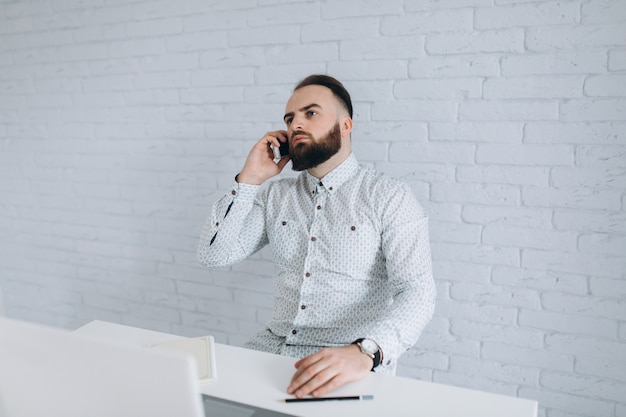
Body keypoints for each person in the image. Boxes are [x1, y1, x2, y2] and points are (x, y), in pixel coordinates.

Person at [197, 74, 436, 399]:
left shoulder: (389, 197)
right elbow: (213, 255)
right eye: (290, 118)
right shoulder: (275, 196)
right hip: (268, 356)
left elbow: (417, 291)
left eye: (310, 113)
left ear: (345, 125)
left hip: (345, 367)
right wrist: (249, 179)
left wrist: (366, 352)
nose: (296, 124)